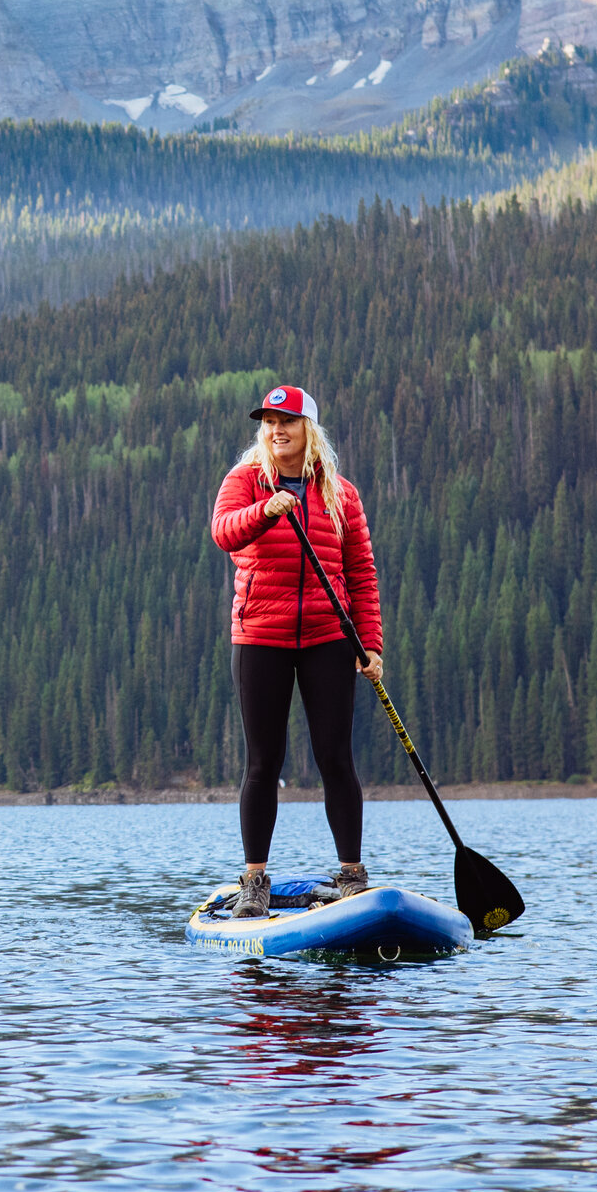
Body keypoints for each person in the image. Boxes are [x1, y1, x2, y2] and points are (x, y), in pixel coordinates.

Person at [208, 384, 383, 917]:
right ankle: (255, 883)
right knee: (264, 762)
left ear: (309, 429)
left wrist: (369, 645)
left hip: (330, 639)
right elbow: (223, 533)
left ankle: (351, 877)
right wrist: (265, 510)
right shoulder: (244, 481)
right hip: (261, 636)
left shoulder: (341, 494)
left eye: (286, 422)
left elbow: (361, 574)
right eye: (268, 423)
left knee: (336, 759)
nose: (276, 431)